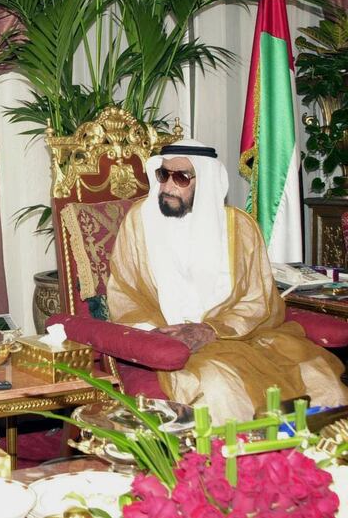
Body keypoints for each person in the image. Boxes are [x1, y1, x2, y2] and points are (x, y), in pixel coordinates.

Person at [107, 139, 348, 424]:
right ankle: (239, 467)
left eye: (181, 177)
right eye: (163, 175)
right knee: (221, 389)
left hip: (241, 337)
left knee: (323, 382)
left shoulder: (240, 227)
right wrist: (159, 333)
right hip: (173, 344)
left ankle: (312, 466)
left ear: (206, 181)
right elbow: (125, 292)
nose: (168, 186)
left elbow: (258, 301)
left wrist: (211, 329)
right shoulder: (139, 221)